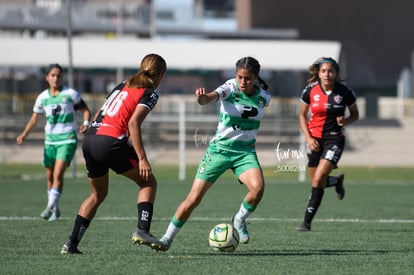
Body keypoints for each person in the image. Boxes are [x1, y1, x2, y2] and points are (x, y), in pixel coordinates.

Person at [157, 56, 271, 251]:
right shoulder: (230, 87)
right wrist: (202, 98)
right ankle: (166, 238)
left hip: (244, 153)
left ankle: (239, 219)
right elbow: (209, 98)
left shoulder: (264, 98)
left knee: (258, 188)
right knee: (193, 199)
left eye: (248, 78)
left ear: (256, 77)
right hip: (219, 152)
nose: (243, 82)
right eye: (240, 77)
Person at [60, 53, 167, 254]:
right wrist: (142, 158)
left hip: (91, 139)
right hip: (110, 142)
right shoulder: (150, 92)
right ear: (161, 74)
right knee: (148, 182)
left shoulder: (123, 84)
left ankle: (71, 244)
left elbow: (99, 112)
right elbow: (133, 123)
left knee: (97, 194)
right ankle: (143, 231)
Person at [16, 63, 91, 222]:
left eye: (59, 75)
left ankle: (49, 207)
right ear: (47, 77)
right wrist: (24, 134)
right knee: (50, 176)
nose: (56, 78)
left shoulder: (71, 94)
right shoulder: (42, 97)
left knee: (58, 173)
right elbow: (34, 119)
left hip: (67, 140)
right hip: (50, 142)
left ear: (62, 77)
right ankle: (55, 206)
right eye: (53, 75)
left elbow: (85, 110)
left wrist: (85, 124)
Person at [297, 57, 359, 232]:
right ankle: (336, 181)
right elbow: (302, 116)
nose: (327, 74)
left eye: (331, 71)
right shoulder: (310, 90)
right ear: (318, 72)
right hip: (314, 140)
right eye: (323, 71)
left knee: (318, 179)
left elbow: (355, 114)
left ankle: (306, 222)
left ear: (336, 73)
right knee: (316, 180)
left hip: (334, 140)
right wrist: (309, 139)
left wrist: (345, 121)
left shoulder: (345, 92)